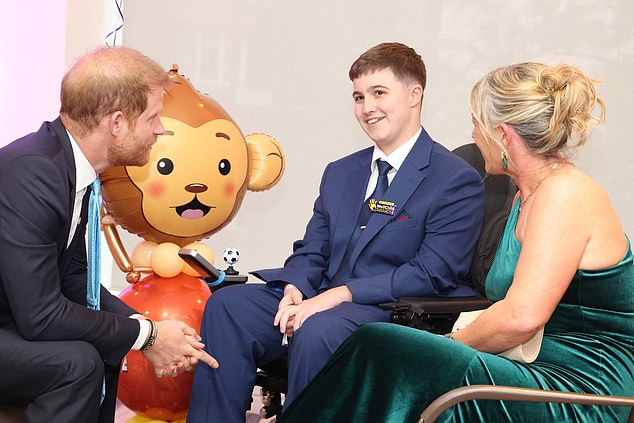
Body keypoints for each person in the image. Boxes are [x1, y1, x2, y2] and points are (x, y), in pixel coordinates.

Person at [276, 62, 634, 423]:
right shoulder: (525, 196)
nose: (473, 136)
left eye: (477, 123)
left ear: (504, 135)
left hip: (581, 384)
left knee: (384, 345)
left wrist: (447, 344)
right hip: (531, 364)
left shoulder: (565, 195)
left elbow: (521, 318)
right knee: (384, 346)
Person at [187, 42, 485, 422]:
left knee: (318, 328)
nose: (367, 107)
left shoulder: (455, 179)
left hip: (389, 313)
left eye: (379, 93)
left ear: (414, 95)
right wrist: (296, 287)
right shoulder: (340, 172)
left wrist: (337, 296)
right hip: (323, 301)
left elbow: (432, 272)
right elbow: (313, 249)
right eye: (359, 97)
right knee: (229, 306)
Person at [0, 46, 218, 423]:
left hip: (14, 320)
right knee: (78, 362)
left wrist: (145, 329)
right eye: (152, 117)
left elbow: (75, 279)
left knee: (101, 349)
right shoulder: (34, 174)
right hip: (15, 321)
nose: (160, 128)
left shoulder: (69, 168)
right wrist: (147, 335)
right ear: (116, 122)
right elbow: (41, 316)